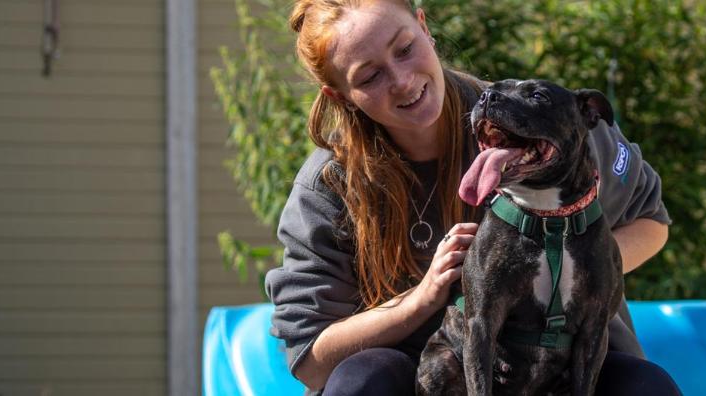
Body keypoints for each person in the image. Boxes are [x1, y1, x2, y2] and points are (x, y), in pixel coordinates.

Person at [264, 1, 682, 395]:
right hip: (426, 373)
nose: (403, 81)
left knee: (646, 386)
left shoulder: (542, 124)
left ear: (425, 29)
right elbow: (311, 359)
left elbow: (651, 222)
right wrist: (419, 300)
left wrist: (562, 274)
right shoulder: (329, 184)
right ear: (340, 96)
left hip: (565, 361)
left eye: (405, 48)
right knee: (360, 380)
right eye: (369, 77)